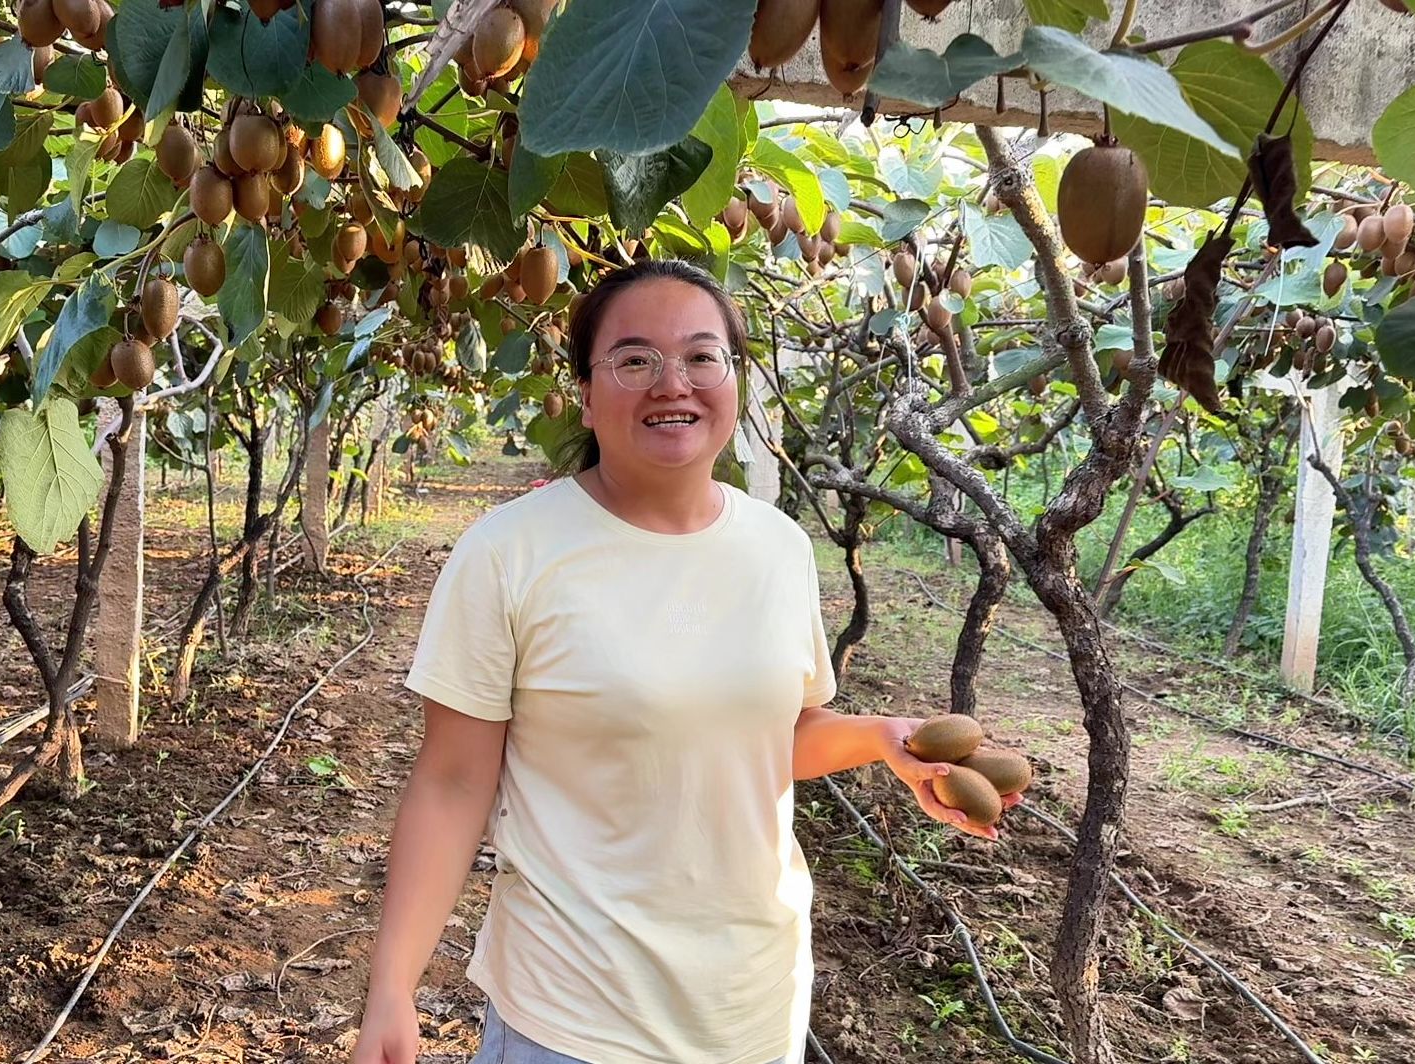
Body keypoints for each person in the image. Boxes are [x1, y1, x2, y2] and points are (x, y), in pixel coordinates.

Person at [351, 260, 1021, 1064]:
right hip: (575, 1015)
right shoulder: (509, 552)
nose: (673, 383)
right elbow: (454, 781)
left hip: (752, 1003)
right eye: (635, 360)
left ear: (733, 380)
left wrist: (882, 739)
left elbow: (778, 735)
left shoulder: (775, 545)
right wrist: (392, 988)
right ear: (587, 393)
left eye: (702, 357)